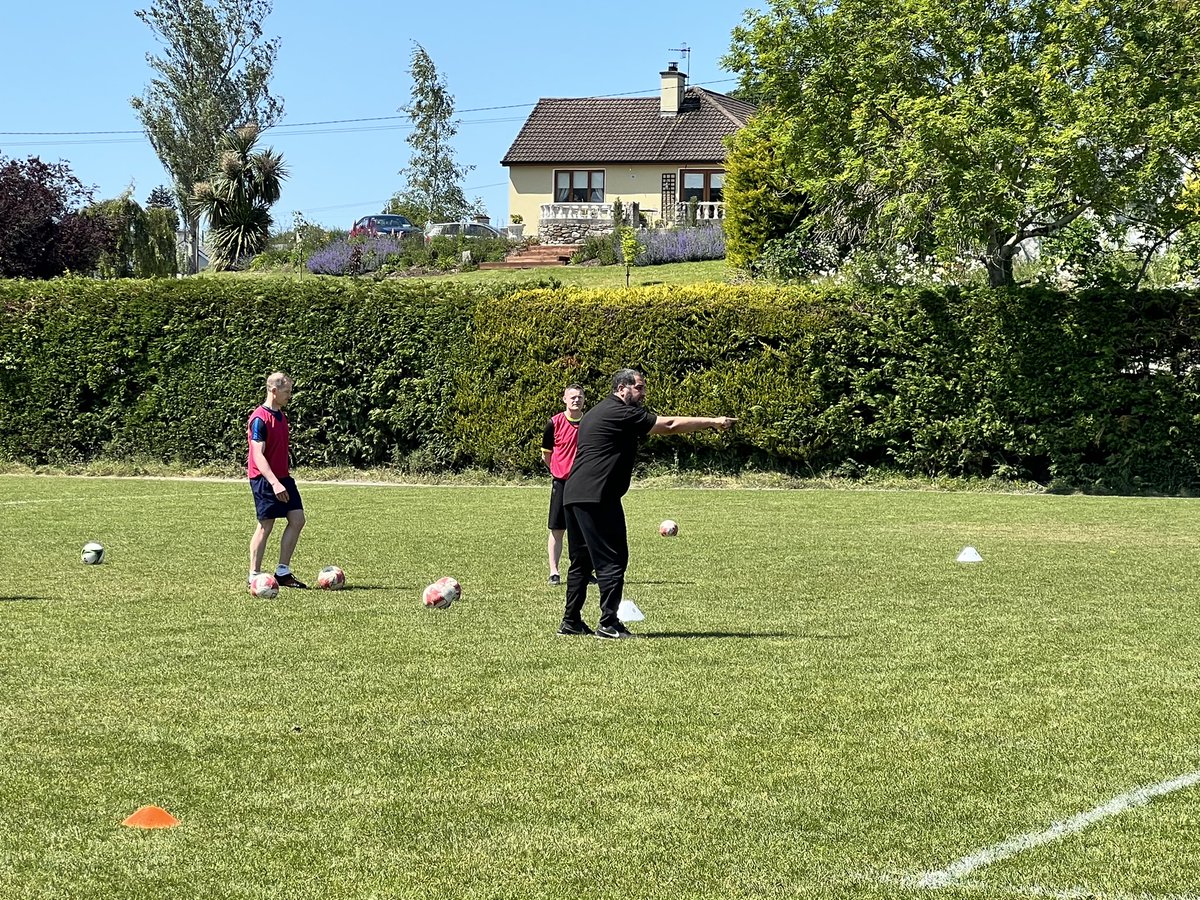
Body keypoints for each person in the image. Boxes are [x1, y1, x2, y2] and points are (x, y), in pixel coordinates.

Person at [559, 368, 736, 639]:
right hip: (598, 496)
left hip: (574, 494)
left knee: (581, 562)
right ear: (622, 388)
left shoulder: (595, 412)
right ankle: (608, 624)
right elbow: (669, 425)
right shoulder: (620, 412)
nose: (643, 393)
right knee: (613, 560)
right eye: (639, 388)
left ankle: (571, 622)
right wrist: (712, 422)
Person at [247, 371, 307, 589]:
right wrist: (274, 482)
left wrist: (281, 480)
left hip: (283, 477)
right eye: (287, 391)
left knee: (297, 520)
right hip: (264, 479)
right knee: (266, 525)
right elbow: (257, 455)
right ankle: (254, 576)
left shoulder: (281, 416)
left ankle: (282, 572)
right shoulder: (259, 419)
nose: (290, 395)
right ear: (274, 390)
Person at [541, 384, 586, 585]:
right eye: (572, 397)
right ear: (564, 399)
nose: (576, 400)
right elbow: (546, 455)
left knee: (584, 530)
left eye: (580, 397)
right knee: (557, 529)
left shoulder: (590, 422)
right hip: (561, 483)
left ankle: (584, 571)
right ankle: (554, 572)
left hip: (584, 484)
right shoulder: (554, 423)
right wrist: (558, 471)